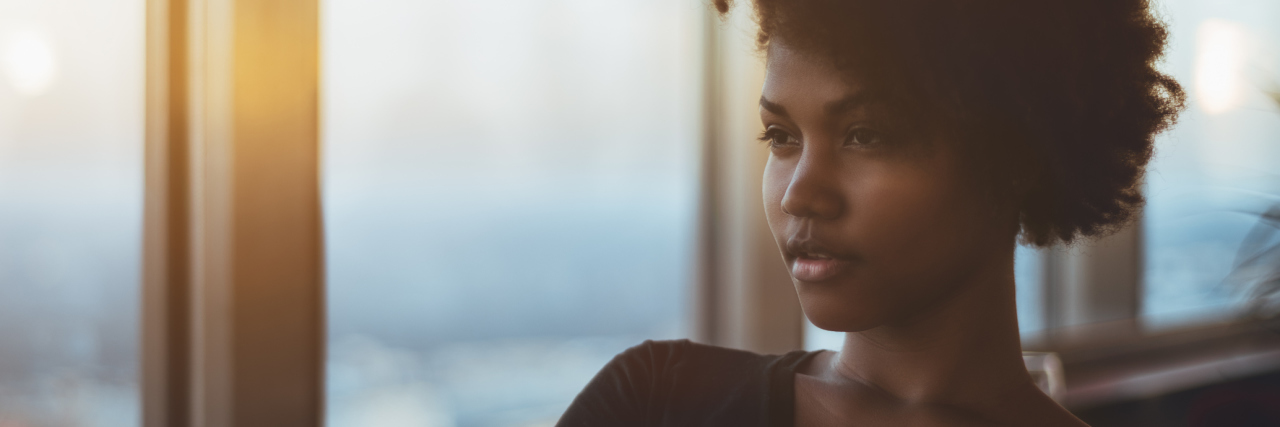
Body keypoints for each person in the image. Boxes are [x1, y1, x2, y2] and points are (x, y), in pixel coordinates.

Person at [558, 0, 1184, 425]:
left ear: (1015, 152)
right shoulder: (656, 403)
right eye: (781, 136)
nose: (799, 194)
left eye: (866, 134)